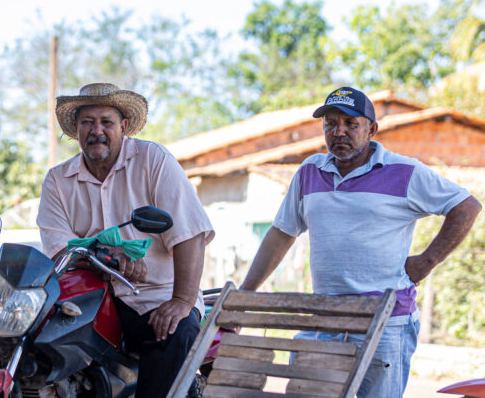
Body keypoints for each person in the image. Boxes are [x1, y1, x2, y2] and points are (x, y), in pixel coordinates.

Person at [241, 86, 482, 398]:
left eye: (351, 124)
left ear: (372, 129)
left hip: (385, 320)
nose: (339, 132)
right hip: (325, 318)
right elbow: (282, 233)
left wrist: (426, 262)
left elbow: (466, 206)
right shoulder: (309, 171)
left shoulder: (404, 172)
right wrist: (247, 291)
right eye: (330, 124)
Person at [35, 83, 215, 398]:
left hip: (156, 296)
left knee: (179, 330)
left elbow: (189, 233)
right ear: (76, 130)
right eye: (87, 122)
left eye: (106, 121)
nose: (97, 130)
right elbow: (59, 249)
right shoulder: (57, 180)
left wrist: (182, 302)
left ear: (124, 127)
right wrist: (107, 258)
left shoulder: (153, 160)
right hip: (91, 299)